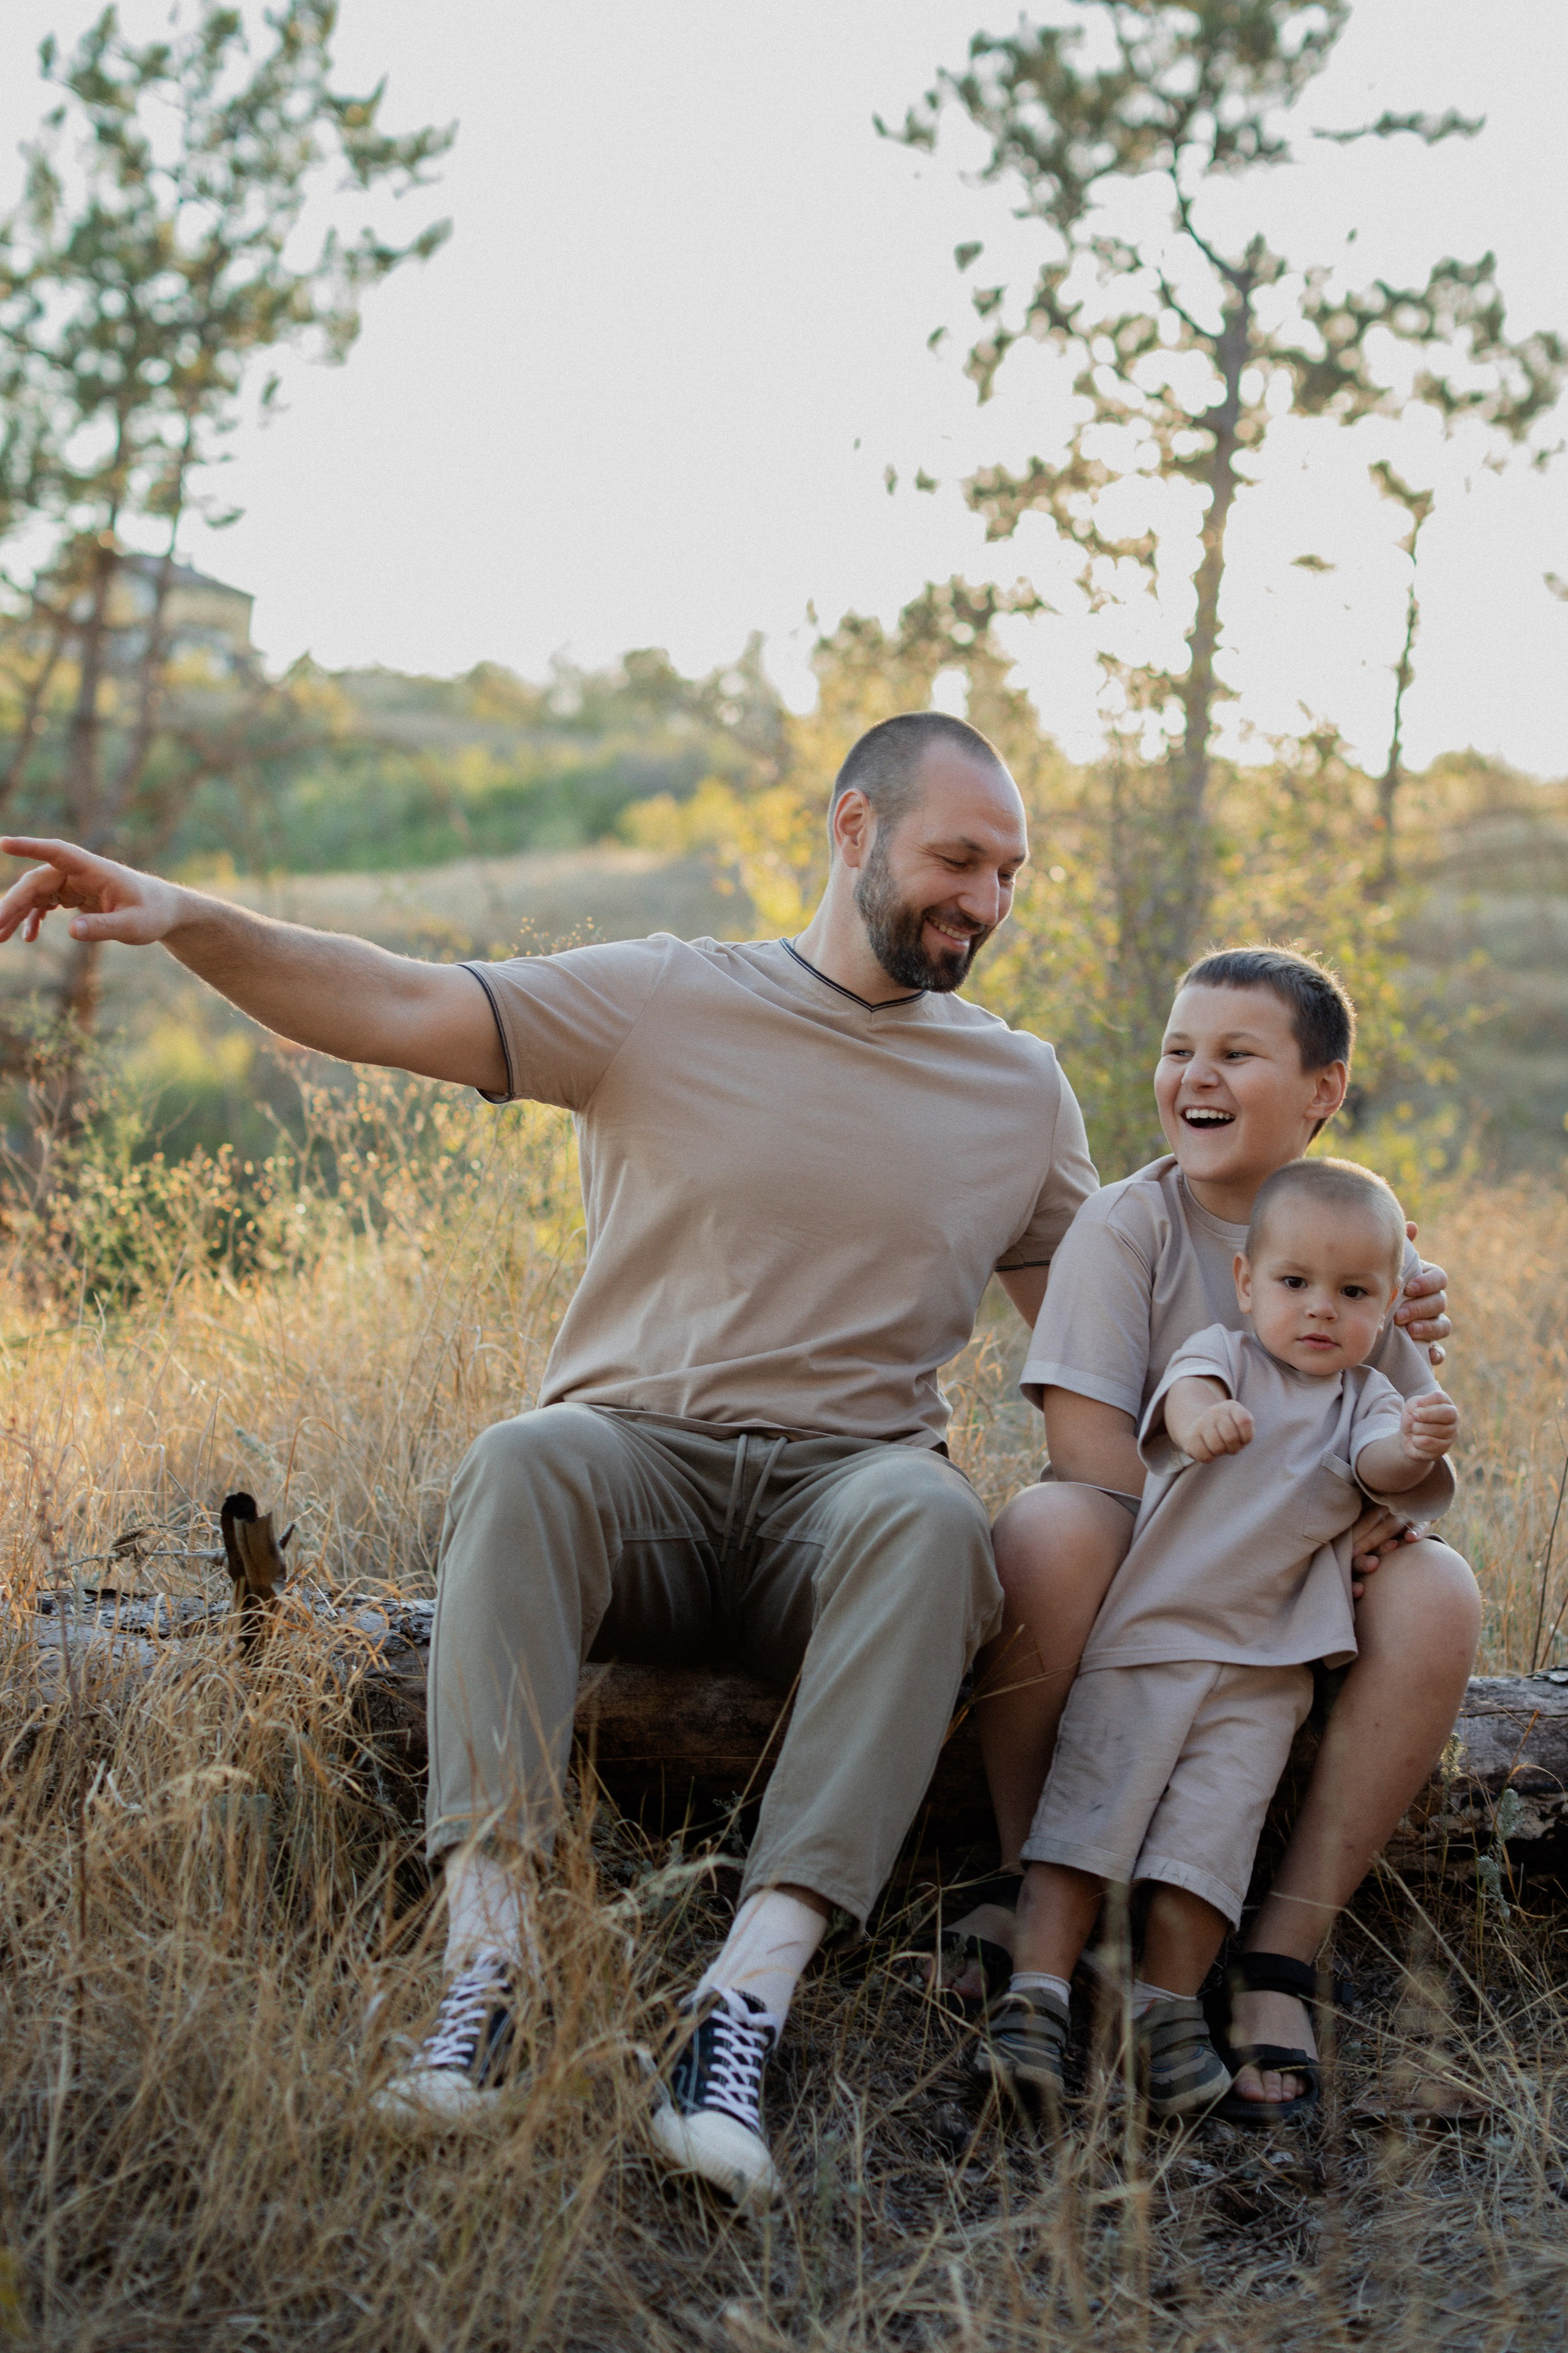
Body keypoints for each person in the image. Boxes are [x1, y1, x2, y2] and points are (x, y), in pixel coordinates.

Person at [0, 711, 1098, 2213]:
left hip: (839, 1508)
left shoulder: (1019, 1088)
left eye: (1009, 871)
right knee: (524, 1453)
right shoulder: (661, 997)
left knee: (926, 1512)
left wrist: (1337, 1295)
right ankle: (486, 1975)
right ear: (851, 830)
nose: (984, 897)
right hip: (629, 1476)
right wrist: (187, 915)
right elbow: (391, 1000)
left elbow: (1107, 1349)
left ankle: (742, 2007)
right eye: (956, 856)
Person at [940, 946, 1472, 2121]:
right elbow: (1090, 1456)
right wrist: (1273, 1532)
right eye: (1181, 1051)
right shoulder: (1128, 1224)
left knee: (1441, 1592)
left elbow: (1393, 1453)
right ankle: (1039, 1888)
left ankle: (1278, 1955)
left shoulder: (1362, 1240)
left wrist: (1366, 1512)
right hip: (1152, 1557)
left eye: (1237, 1053)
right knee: (1047, 1527)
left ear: (1323, 1090)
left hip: (1300, 1580)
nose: (1196, 1076)